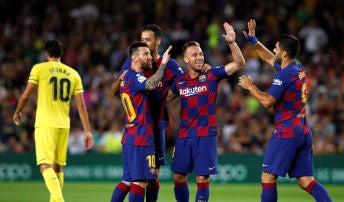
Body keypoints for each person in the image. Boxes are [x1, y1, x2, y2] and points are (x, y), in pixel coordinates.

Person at [238, 19, 332, 202]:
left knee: (267, 176)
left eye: (276, 47)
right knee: (306, 181)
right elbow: (267, 57)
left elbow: (267, 102)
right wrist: (253, 40)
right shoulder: (298, 69)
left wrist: (250, 86)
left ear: (285, 53)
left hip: (287, 131)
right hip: (303, 130)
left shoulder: (284, 74)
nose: (274, 49)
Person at [165, 22, 245, 202]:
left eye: (200, 53)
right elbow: (165, 99)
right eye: (194, 55)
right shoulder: (180, 81)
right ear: (186, 60)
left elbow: (239, 63)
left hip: (205, 134)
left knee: (202, 177)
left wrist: (232, 42)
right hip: (184, 135)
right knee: (178, 177)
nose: (199, 57)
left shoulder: (212, 75)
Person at [13, 39, 94, 202]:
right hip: (64, 125)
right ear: (61, 54)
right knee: (58, 167)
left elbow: (26, 94)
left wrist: (18, 111)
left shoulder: (39, 69)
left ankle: (59, 200)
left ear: (46, 54)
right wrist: (87, 131)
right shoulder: (73, 74)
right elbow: (82, 106)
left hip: (45, 124)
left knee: (45, 166)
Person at [111, 24, 184, 202]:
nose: (144, 43)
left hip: (145, 128)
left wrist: (168, 97)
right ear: (135, 58)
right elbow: (147, 84)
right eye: (142, 40)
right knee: (141, 181)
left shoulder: (164, 67)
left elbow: (183, 83)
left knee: (134, 179)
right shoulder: (134, 72)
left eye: (147, 40)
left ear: (158, 41)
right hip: (142, 132)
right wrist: (163, 64)